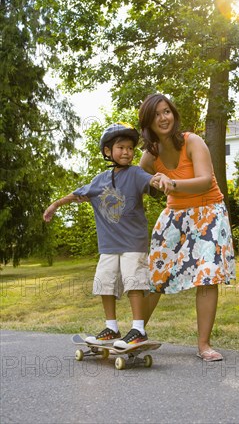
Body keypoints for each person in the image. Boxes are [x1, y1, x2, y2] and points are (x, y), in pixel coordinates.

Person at [43, 122, 167, 348]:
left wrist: (160, 179)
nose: (127, 152)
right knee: (105, 283)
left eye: (130, 148)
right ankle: (112, 327)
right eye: (121, 147)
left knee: (133, 283)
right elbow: (77, 193)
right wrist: (55, 205)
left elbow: (151, 181)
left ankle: (138, 329)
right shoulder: (99, 180)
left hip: (133, 243)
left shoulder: (136, 173)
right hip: (108, 246)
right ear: (108, 151)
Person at [138, 94, 236, 361]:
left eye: (167, 111)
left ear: (174, 115)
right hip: (175, 214)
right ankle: (135, 334)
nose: (163, 118)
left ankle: (204, 345)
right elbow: (141, 178)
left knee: (207, 276)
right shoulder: (150, 154)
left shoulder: (193, 141)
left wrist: (171, 183)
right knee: (155, 276)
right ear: (148, 122)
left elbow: (205, 180)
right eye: (157, 114)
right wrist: (151, 184)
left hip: (208, 212)